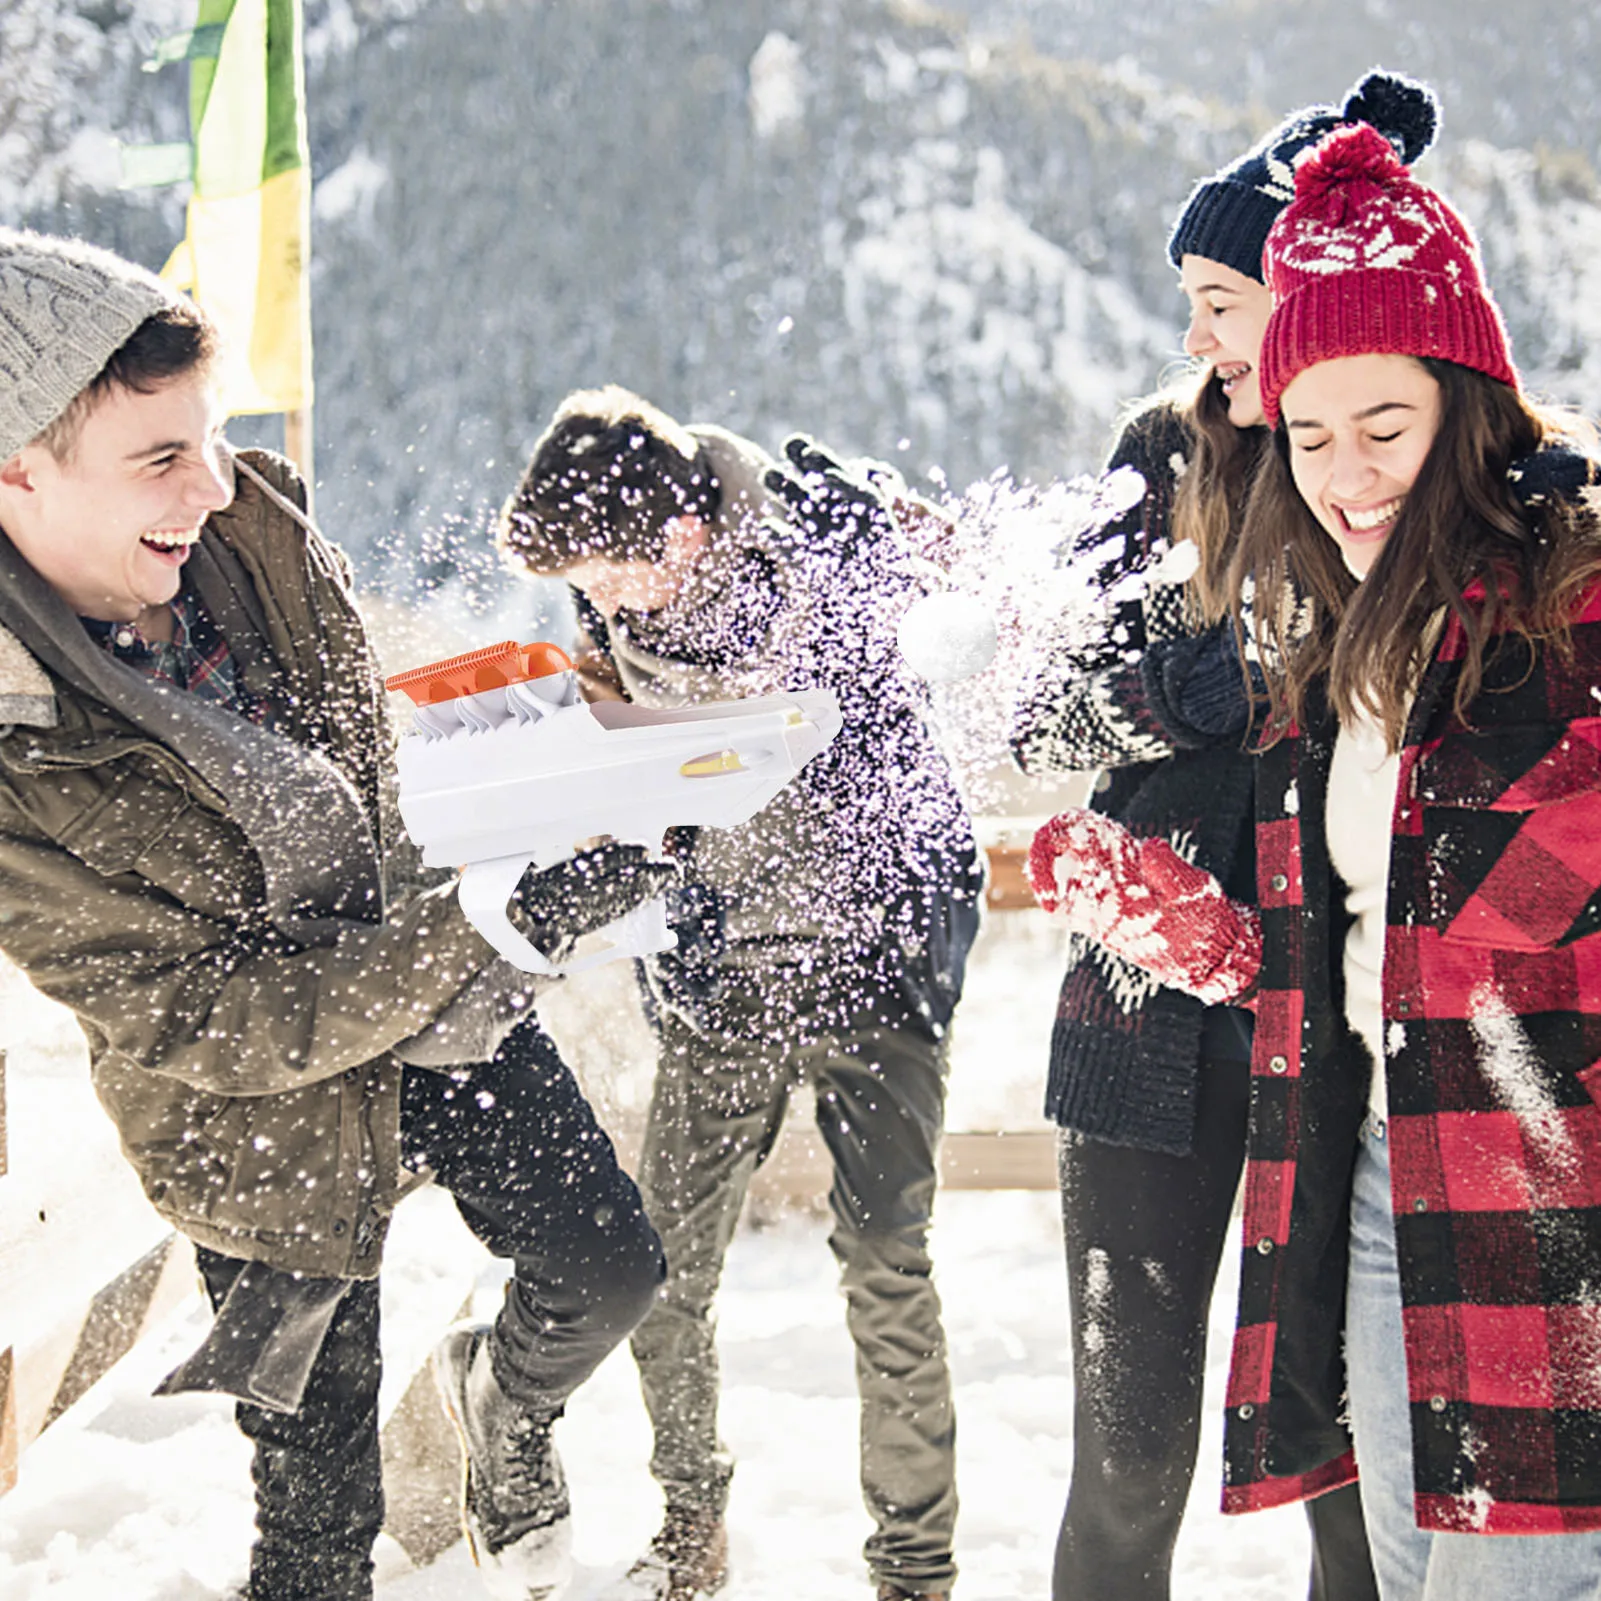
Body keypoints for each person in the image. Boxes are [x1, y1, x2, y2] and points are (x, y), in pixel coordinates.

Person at [0, 228, 675, 1601]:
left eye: (213, 437)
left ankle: (499, 1403)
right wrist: (488, 920)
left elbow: (372, 749)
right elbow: (210, 1019)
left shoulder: (248, 535)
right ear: (17, 469)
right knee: (317, 1524)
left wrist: (554, 788)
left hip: (437, 1005)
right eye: (159, 459)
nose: (213, 483)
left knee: (607, 1266)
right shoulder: (17, 751)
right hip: (252, 1122)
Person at [1029, 123, 1601, 1600]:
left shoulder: (1545, 578)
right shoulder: (1288, 554)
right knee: (1254, 1508)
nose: (1344, 474)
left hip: (1490, 1160)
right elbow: (1383, 923)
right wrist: (1211, 927)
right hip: (1297, 1107)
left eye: (1384, 428)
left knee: (1435, 1541)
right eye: (1310, 435)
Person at [1007, 72, 1439, 1601]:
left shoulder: (1388, 465)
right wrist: (1173, 677)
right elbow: (1038, 698)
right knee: (1129, 1458)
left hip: (1334, 1043)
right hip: (1144, 1037)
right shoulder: (1158, 450)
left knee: (1346, 1463)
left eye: (1217, 300)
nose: (1195, 337)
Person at [497, 388, 984, 1601]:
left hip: (874, 963)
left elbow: (946, 591)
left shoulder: (821, 545)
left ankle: (914, 1570)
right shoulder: (605, 599)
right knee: (665, 1270)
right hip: (723, 978)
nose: (597, 600)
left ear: (681, 535)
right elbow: (632, 776)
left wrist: (894, 538)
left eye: (610, 573)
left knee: (884, 1266)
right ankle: (689, 1524)